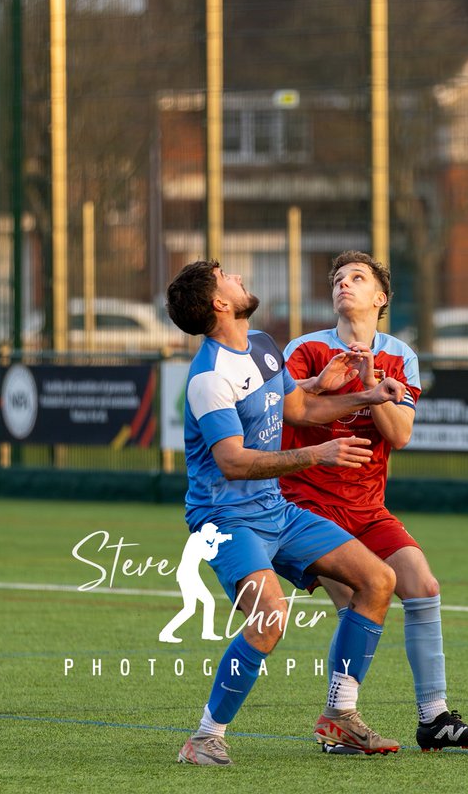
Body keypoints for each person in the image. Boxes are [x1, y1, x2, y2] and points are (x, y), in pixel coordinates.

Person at [165, 260, 407, 766]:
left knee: (378, 581)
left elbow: (298, 410)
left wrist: (363, 394)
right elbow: (232, 462)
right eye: (225, 275)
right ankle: (205, 737)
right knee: (270, 615)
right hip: (226, 520)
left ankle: (340, 716)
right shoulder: (209, 378)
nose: (236, 275)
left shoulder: (263, 345)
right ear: (219, 303)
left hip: (275, 507)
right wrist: (317, 455)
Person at [281, 250, 468, 752]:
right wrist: (350, 387)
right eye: (337, 278)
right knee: (360, 595)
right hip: (307, 502)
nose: (343, 285)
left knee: (422, 585)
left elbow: (398, 434)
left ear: (380, 298)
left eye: (357, 278)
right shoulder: (306, 349)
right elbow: (296, 413)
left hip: (368, 506)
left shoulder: (399, 354)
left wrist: (372, 377)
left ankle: (435, 718)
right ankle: (341, 720)